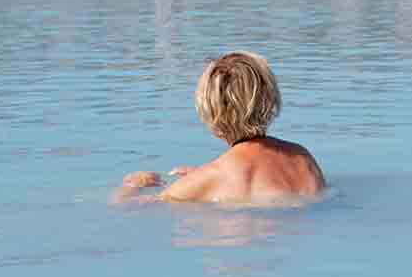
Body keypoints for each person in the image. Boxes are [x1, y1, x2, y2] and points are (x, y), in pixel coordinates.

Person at [113, 51, 325, 205]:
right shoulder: (303, 159)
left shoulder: (208, 179)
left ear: (210, 111)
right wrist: (201, 174)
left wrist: (132, 185)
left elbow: (125, 208)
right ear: (271, 99)